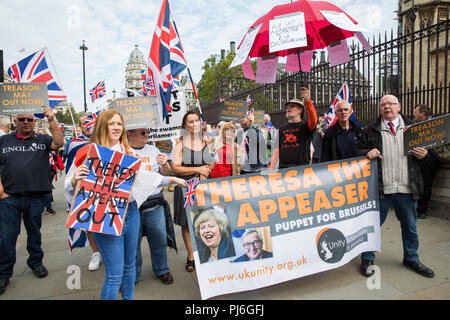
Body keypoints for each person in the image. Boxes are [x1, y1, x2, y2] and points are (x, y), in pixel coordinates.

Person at [65, 110, 184, 300]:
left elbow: (142, 178)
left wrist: (170, 179)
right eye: (112, 123)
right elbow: (70, 185)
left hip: (131, 213)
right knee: (114, 274)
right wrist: (74, 181)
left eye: (119, 124)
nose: (116, 127)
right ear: (103, 125)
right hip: (105, 216)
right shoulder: (88, 152)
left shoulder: (126, 151)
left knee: (129, 267)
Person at [358, 95, 435, 279]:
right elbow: (357, 151)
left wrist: (425, 156)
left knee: (410, 226)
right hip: (381, 188)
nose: (387, 107)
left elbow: (429, 161)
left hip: (407, 188)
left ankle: (411, 258)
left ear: (398, 107)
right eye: (383, 104)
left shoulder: (415, 129)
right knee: (373, 226)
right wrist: (366, 153)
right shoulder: (370, 130)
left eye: (391, 104)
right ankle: (367, 258)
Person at [0, 108, 64, 296]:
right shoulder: (3, 141)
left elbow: (59, 142)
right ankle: (4, 272)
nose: (26, 122)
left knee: (34, 233)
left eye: (30, 119)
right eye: (22, 119)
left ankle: (35, 262)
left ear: (35, 122)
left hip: (36, 197)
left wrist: (51, 120)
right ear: (15, 121)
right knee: (6, 237)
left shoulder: (42, 140)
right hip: (9, 198)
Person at [127, 128, 175, 285]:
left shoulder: (154, 150)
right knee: (132, 243)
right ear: (130, 134)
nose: (147, 135)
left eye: (147, 132)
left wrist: (165, 165)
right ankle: (133, 274)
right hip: (132, 205)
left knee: (159, 238)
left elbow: (166, 175)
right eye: (142, 133)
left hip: (154, 203)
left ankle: (162, 269)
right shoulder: (123, 150)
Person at [172, 110, 215, 272]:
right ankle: (191, 256)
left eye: (196, 120)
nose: (194, 124)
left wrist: (207, 172)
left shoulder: (207, 141)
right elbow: (176, 168)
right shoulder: (180, 144)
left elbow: (212, 162)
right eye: (190, 121)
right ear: (185, 126)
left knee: (206, 220)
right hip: (186, 187)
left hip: (204, 186)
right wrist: (199, 169)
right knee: (187, 223)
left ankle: (207, 252)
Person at [63, 113, 102, 271]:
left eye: (91, 123)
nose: (88, 126)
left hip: (107, 190)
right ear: (79, 126)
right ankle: (96, 252)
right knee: (89, 223)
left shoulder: (110, 142)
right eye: (85, 124)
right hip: (86, 191)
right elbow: (70, 167)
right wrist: (73, 182)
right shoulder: (74, 144)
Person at [269, 87, 318, 170]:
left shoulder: (305, 126)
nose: (288, 108)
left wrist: (307, 101)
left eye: (292, 106)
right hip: (283, 169)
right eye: (287, 106)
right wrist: (271, 169)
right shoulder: (282, 128)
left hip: (301, 168)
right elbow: (277, 150)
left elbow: (313, 120)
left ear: (300, 110)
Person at [413, 104, 441, 219]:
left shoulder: (436, 125)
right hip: (418, 158)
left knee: (426, 183)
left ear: (422, 114)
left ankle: (422, 209)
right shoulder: (415, 125)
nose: (413, 114)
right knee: (418, 182)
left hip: (432, 158)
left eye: (415, 112)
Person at [239, 110, 267, 175]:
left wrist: (249, 128)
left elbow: (259, 142)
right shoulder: (240, 133)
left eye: (244, 118)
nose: (241, 120)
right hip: (243, 170)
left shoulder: (256, 131)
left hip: (254, 170)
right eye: (241, 118)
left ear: (250, 121)